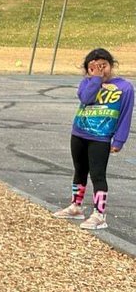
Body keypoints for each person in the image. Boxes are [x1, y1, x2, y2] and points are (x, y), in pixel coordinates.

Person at [52, 47, 132, 231]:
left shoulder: (125, 87)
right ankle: (76, 206)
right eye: (93, 67)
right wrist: (95, 79)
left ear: (111, 65)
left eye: (103, 66)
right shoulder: (87, 83)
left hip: (101, 138)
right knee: (79, 171)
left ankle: (99, 214)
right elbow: (86, 99)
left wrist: (119, 140)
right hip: (79, 133)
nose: (99, 70)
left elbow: (125, 114)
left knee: (97, 174)